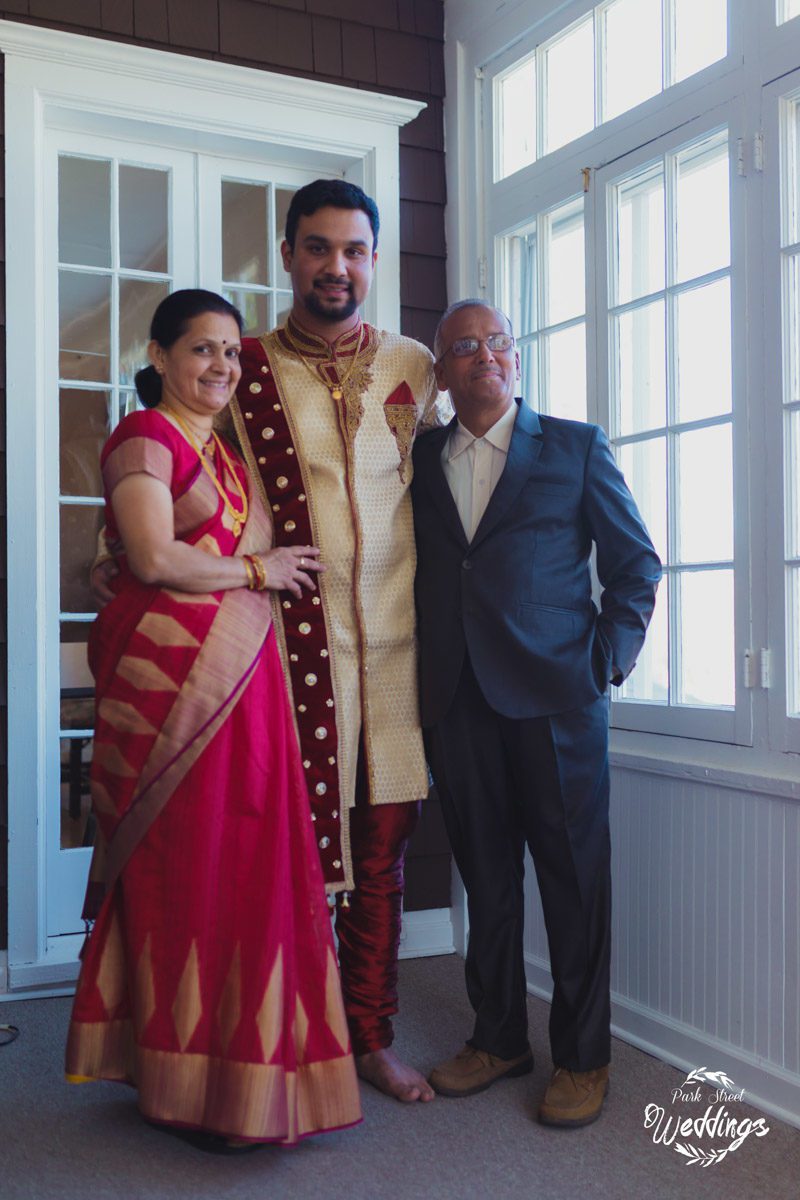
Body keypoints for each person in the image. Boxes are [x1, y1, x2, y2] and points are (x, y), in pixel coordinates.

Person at [66, 289, 362, 1149]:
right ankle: (184, 1084)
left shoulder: (226, 458)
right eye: (202, 349)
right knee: (186, 868)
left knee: (246, 863)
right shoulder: (144, 438)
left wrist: (254, 570)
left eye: (232, 352)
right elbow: (154, 557)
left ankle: (244, 1079)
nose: (221, 366)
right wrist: (261, 570)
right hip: (170, 695)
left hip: (244, 686)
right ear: (160, 356)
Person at [411, 299, 661, 1127]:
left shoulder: (576, 447)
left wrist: (605, 664)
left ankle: (584, 1058)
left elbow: (636, 567)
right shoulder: (419, 460)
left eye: (498, 342)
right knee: (485, 878)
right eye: (464, 346)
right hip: (457, 701)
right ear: (442, 372)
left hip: (559, 703)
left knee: (573, 881)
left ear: (515, 359)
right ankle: (498, 1039)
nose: (485, 355)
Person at [227, 178, 449, 1103]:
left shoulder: (415, 366)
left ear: (374, 260)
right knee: (285, 856)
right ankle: (288, 1042)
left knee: (382, 858)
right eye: (317, 247)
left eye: (354, 250)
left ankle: (369, 1039)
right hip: (286, 655)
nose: (336, 266)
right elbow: (200, 487)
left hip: (399, 656)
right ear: (287, 255)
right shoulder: (241, 368)